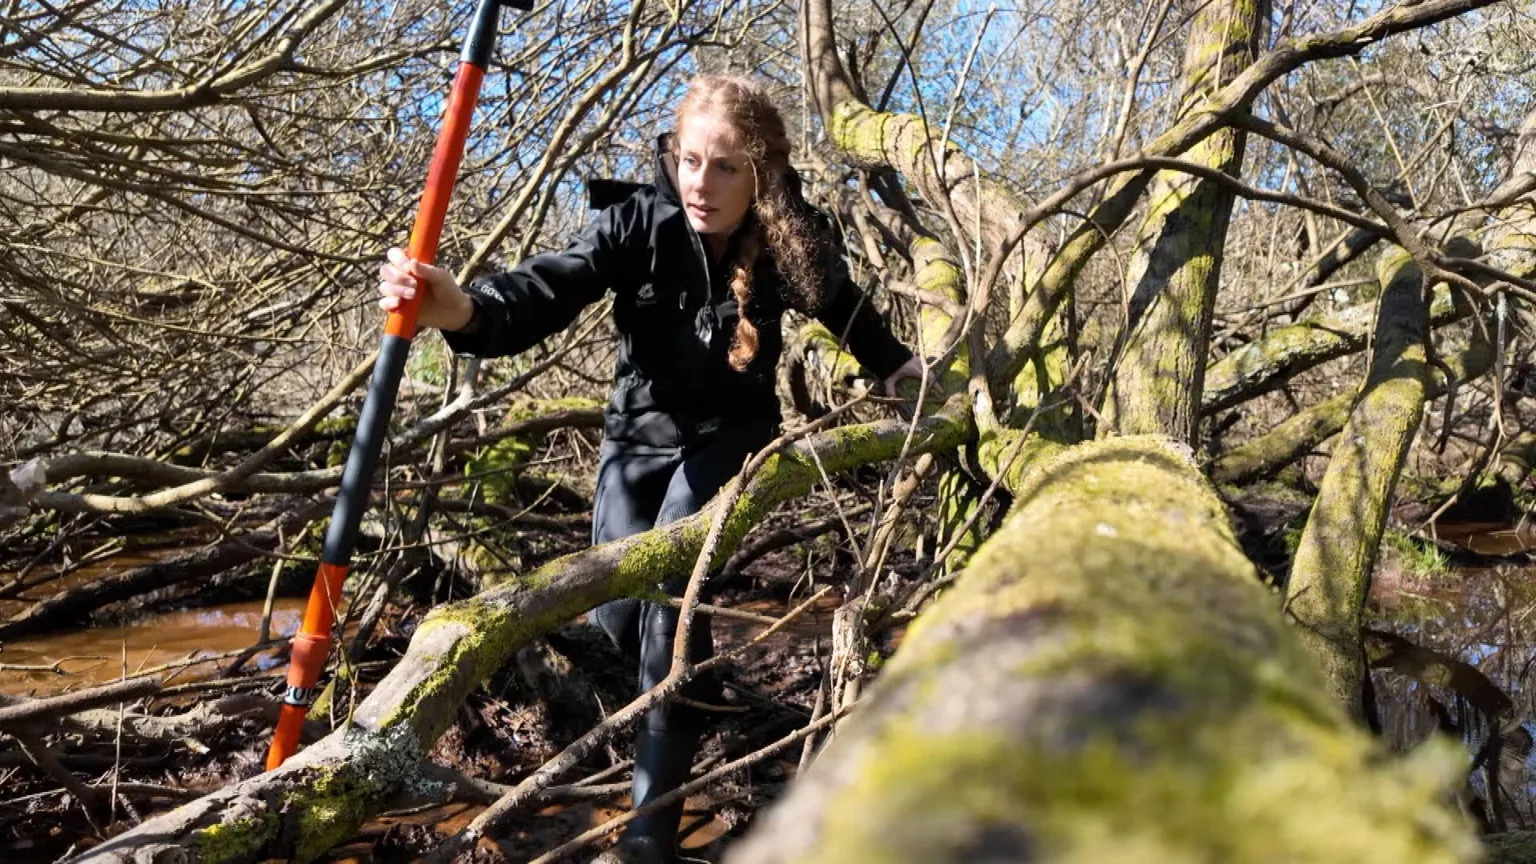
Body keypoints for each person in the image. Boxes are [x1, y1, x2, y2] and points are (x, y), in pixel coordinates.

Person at [379, 75, 922, 862]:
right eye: (689, 160)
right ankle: (684, 713)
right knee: (623, 613)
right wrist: (462, 311)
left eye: (725, 167)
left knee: (669, 589)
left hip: (733, 437)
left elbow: (845, 307)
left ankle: (649, 836)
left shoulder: (788, 234)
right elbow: (546, 289)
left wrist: (896, 366)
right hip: (637, 438)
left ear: (759, 173)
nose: (701, 184)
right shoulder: (636, 222)